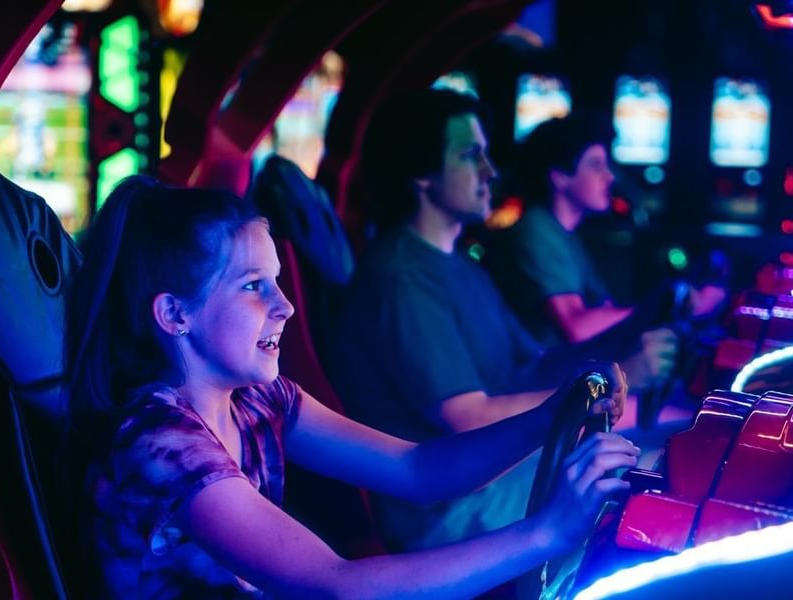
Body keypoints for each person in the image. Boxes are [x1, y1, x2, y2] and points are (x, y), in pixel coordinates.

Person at [65, 176, 638, 599]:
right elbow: (335, 586)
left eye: (277, 283)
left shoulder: (259, 402)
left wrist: (548, 417)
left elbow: (419, 470)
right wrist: (544, 533)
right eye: (253, 286)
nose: (285, 306)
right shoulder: (160, 444)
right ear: (174, 314)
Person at [327, 89, 639, 552]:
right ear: (422, 174)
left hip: (499, 473)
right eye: (470, 155)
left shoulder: (462, 267)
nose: (489, 171)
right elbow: (469, 417)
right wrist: (594, 393)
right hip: (449, 508)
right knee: (649, 479)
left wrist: (625, 357)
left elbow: (536, 364)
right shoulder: (402, 278)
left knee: (661, 453)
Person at [485, 114, 724, 355]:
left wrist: (677, 305)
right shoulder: (537, 231)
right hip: (547, 376)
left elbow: (606, 311)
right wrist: (669, 306)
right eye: (596, 165)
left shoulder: (566, 236)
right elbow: (577, 327)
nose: (609, 177)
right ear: (560, 177)